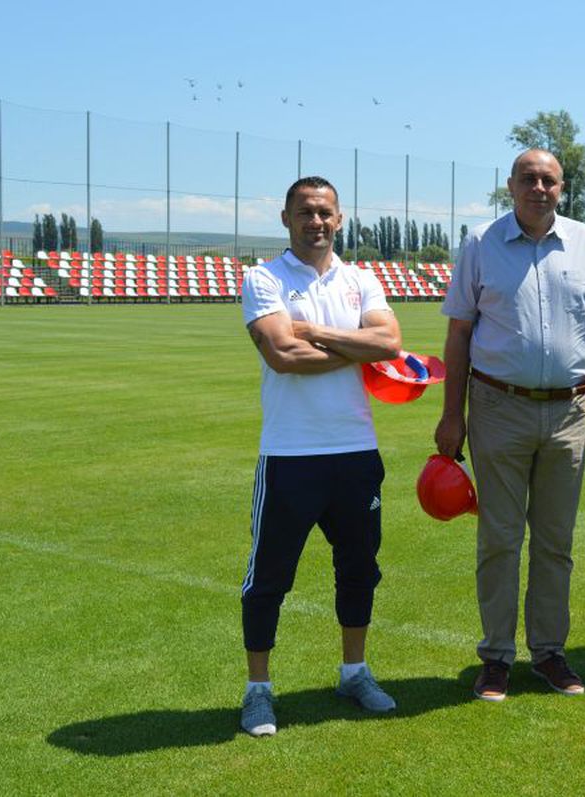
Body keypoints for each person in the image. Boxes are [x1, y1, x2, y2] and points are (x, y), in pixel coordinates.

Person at [434, 148, 585, 702]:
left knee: (555, 542)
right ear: (510, 185)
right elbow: (459, 333)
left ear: (562, 188)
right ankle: (496, 657)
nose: (539, 188)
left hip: (569, 411)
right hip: (498, 407)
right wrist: (452, 415)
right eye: (529, 179)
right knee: (500, 538)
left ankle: (549, 653)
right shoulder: (480, 243)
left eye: (549, 180)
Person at [238, 176, 404, 736]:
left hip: (356, 452)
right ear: (286, 218)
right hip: (291, 453)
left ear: (340, 219)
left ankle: (354, 673)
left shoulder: (361, 278)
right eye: (305, 212)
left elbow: (389, 343)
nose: (316, 221)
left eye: (325, 212)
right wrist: (354, 345)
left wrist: (313, 331)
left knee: (359, 570)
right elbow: (283, 354)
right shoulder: (264, 278)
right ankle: (258, 690)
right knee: (270, 576)